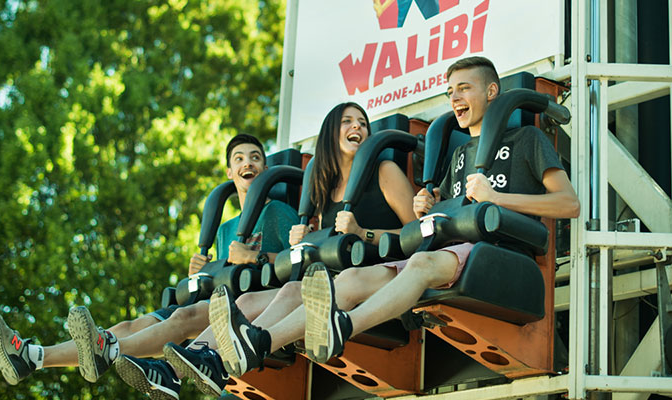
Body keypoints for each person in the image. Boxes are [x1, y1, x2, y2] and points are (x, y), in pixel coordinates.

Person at [210, 56, 580, 379]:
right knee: (351, 278)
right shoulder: (459, 156)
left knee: (419, 263)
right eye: (450, 91)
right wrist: (428, 207)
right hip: (449, 251)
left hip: (499, 249)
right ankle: (260, 342)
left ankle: (343, 326)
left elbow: (569, 205)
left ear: (492, 92)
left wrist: (496, 198)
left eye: (464, 88)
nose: (454, 98)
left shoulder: (527, 139)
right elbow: (446, 214)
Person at [0, 134, 297, 394]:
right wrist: (204, 272)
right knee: (131, 326)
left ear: (265, 167)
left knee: (181, 317)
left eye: (255, 157)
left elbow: (296, 264)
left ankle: (109, 350)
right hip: (217, 299)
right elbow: (229, 269)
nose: (247, 163)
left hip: (248, 306)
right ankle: (33, 356)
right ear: (229, 171)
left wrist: (254, 257)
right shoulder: (225, 228)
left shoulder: (279, 212)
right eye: (239, 158)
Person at [155, 101, 417, 394]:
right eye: (347, 121)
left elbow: (416, 234)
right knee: (253, 300)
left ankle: (249, 347)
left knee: (323, 287)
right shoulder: (325, 189)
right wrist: (308, 240)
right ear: (330, 134)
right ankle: (181, 368)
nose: (357, 126)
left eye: (362, 123)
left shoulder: (385, 171)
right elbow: (332, 245)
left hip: (377, 273)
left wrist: (362, 233)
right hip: (335, 277)